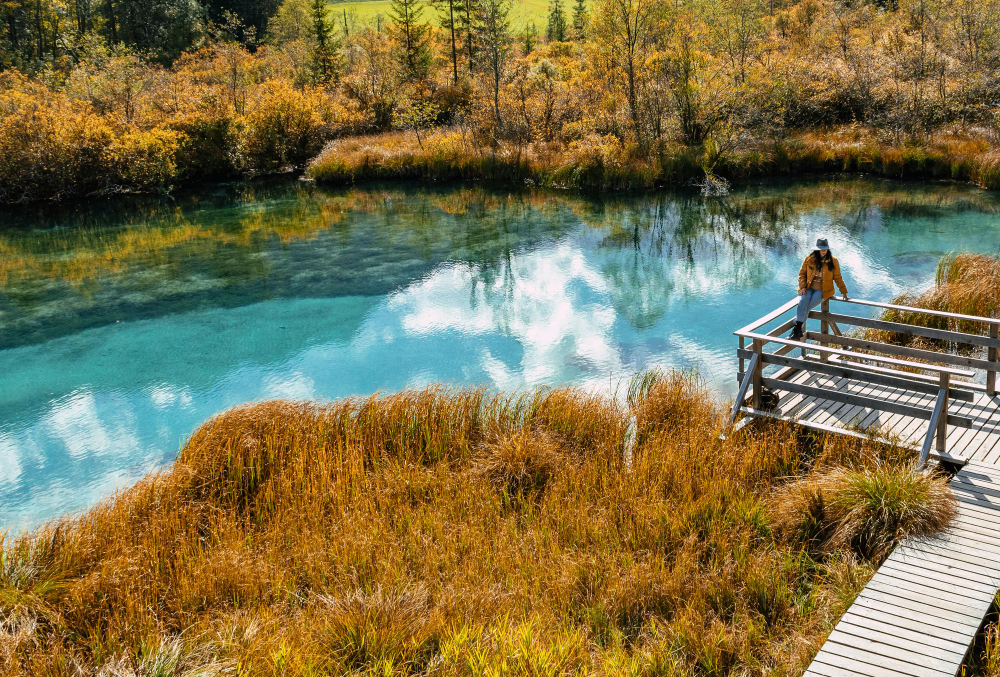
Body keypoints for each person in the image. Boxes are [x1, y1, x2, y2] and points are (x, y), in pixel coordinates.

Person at [790, 238, 848, 341]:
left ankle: (797, 328)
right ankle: (798, 329)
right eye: (821, 249)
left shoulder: (833, 261)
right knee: (802, 301)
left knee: (807, 306)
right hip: (809, 287)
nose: (823, 251)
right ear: (817, 249)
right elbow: (802, 274)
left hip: (823, 290)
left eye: (825, 249)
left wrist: (843, 291)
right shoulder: (809, 259)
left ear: (828, 249)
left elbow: (838, 277)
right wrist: (803, 286)